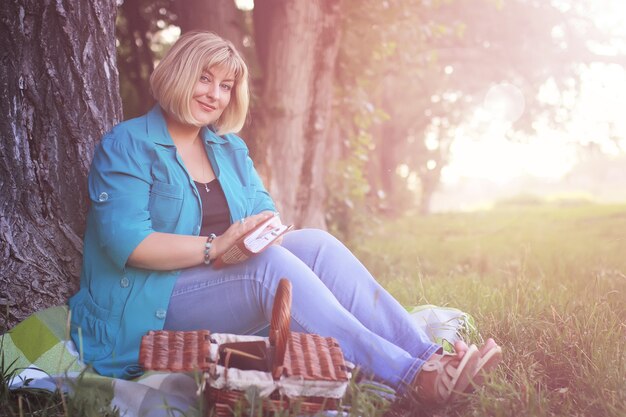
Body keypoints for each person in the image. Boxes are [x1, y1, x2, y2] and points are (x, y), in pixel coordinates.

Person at [68, 31, 501, 405]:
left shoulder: (228, 149)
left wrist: (260, 233)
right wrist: (216, 247)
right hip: (149, 303)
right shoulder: (127, 144)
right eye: (204, 78)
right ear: (177, 73)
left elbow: (264, 214)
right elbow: (128, 244)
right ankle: (410, 379)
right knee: (266, 266)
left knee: (317, 243)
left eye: (225, 86)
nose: (213, 95)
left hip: (220, 282)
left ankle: (429, 358)